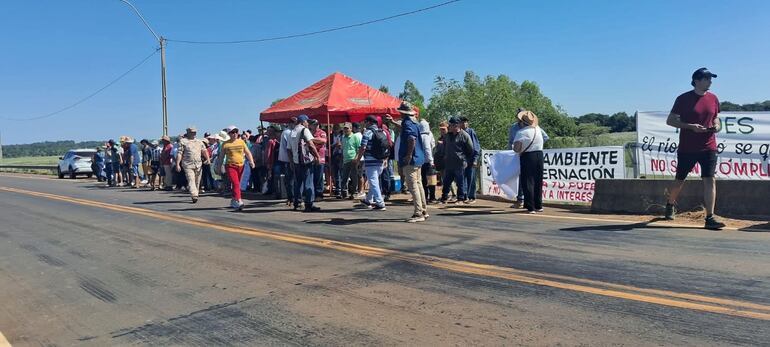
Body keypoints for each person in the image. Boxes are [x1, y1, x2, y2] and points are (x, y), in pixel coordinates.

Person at [664, 68, 726, 230]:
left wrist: (716, 125)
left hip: (709, 145)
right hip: (688, 147)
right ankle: (670, 204)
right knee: (680, 180)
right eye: (706, 78)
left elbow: (716, 117)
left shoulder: (713, 98)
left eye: (710, 79)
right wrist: (690, 126)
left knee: (709, 179)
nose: (710, 81)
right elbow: (670, 121)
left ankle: (710, 216)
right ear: (696, 81)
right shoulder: (683, 99)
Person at [390, 101, 428, 222]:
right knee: (418, 184)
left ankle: (418, 213)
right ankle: (423, 210)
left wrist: (408, 155)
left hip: (411, 159)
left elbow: (411, 138)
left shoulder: (407, 123)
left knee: (413, 186)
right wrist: (393, 122)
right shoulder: (414, 122)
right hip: (418, 158)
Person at [508, 108, 550, 208]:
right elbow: (545, 138)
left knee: (527, 181)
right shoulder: (538, 129)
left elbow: (516, 148)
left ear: (522, 121)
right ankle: (538, 205)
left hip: (527, 155)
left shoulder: (521, 133)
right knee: (538, 181)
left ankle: (530, 206)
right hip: (539, 154)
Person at [288, 115, 321, 212]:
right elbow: (310, 144)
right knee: (308, 182)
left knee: (298, 183)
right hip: (305, 161)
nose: (308, 124)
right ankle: (309, 203)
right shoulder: (304, 130)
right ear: (303, 122)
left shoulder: (292, 132)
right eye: (307, 122)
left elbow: (288, 149)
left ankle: (297, 202)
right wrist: (317, 156)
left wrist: (291, 161)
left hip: (296, 161)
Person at [353, 115, 388, 210]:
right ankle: (368, 200)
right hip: (380, 160)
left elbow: (363, 147)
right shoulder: (382, 132)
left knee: (373, 181)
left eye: (365, 121)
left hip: (370, 160)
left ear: (369, 122)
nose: (364, 123)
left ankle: (380, 203)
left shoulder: (367, 132)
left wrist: (358, 160)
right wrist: (385, 159)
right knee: (374, 180)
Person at [438, 117, 474, 204]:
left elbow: (470, 149)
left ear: (457, 126)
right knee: (446, 181)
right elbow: (445, 146)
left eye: (451, 125)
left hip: (460, 163)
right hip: (449, 163)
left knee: (460, 182)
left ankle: (460, 198)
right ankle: (444, 198)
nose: (450, 127)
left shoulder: (465, 135)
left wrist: (465, 159)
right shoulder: (447, 136)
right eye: (450, 125)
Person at [220, 125, 255, 210]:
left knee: (237, 184)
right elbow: (221, 157)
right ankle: (239, 200)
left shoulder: (241, 142)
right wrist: (218, 166)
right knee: (235, 183)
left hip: (241, 165)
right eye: (232, 132)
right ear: (229, 134)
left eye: (236, 132)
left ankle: (233, 199)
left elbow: (247, 152)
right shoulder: (225, 144)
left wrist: (251, 161)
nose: (235, 134)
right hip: (230, 166)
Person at [176, 127, 210, 203]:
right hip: (188, 164)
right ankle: (194, 194)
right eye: (192, 132)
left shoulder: (199, 142)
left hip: (198, 164)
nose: (194, 134)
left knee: (197, 180)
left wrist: (208, 159)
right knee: (191, 179)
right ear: (188, 132)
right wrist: (178, 164)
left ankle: (195, 193)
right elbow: (179, 153)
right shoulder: (183, 141)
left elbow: (204, 151)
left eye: (195, 132)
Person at [459, 116, 481, 204]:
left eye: (465, 122)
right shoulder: (459, 133)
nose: (464, 123)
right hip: (462, 159)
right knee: (462, 178)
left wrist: (475, 159)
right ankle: (464, 196)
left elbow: (476, 146)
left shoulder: (471, 132)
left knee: (471, 178)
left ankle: (471, 196)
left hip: (471, 159)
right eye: (462, 122)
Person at [339, 122, 362, 199]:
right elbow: (343, 148)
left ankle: (354, 192)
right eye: (344, 128)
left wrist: (356, 158)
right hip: (345, 160)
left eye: (347, 128)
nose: (345, 130)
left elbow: (359, 148)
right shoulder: (343, 137)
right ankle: (344, 192)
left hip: (353, 160)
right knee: (344, 177)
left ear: (351, 129)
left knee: (354, 177)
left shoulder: (355, 137)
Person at [308, 119, 328, 201]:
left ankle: (319, 194)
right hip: (310, 158)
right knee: (311, 177)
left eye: (317, 124)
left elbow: (323, 140)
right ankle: (312, 194)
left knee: (319, 177)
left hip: (320, 158)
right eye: (314, 124)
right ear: (310, 125)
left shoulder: (322, 132)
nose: (316, 126)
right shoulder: (308, 132)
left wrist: (311, 139)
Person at [419, 119, 438, 203]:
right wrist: (431, 161)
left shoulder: (418, 136)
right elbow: (428, 149)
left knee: (423, 180)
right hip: (428, 162)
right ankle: (432, 197)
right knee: (431, 180)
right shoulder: (426, 136)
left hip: (420, 162)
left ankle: (425, 196)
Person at [278, 120, 296, 205]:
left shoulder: (285, 132)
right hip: (288, 160)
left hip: (286, 159)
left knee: (289, 179)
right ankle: (291, 197)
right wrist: (292, 159)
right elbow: (288, 148)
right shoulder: (288, 133)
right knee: (290, 179)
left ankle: (291, 197)